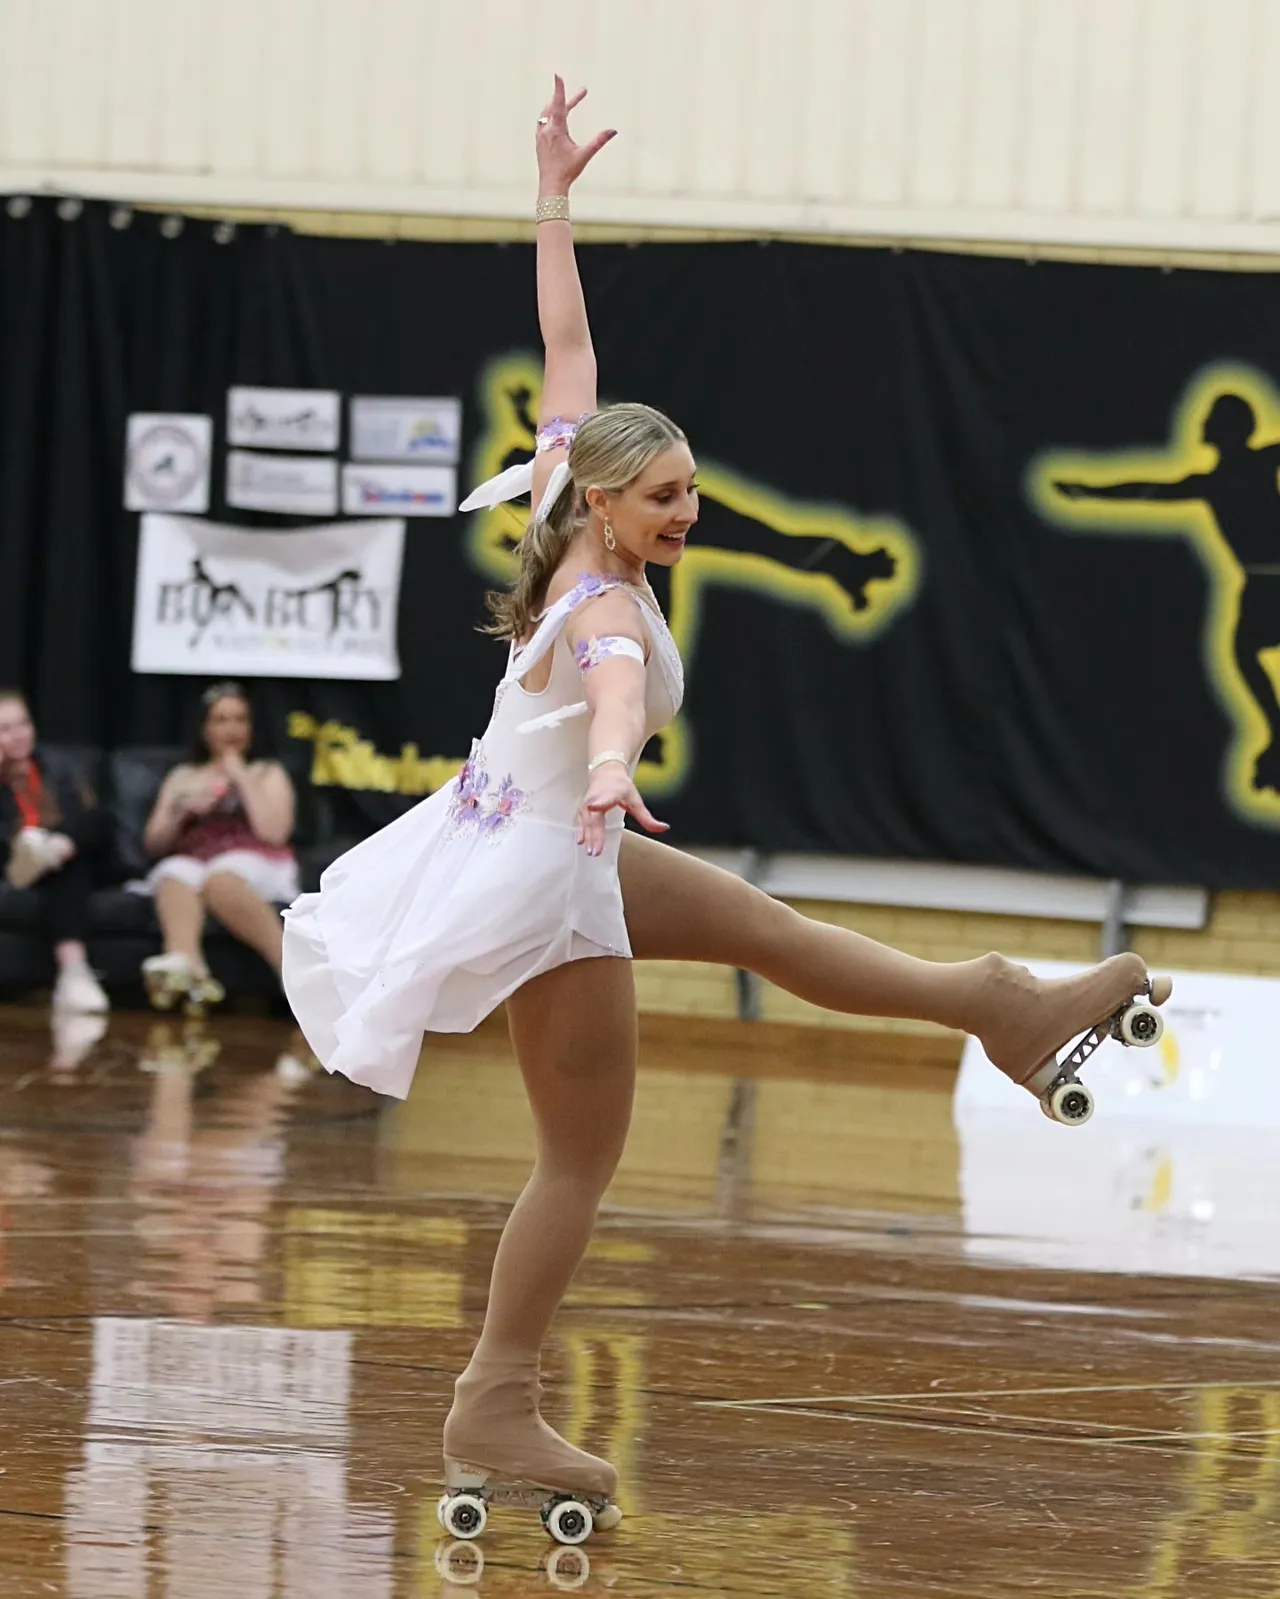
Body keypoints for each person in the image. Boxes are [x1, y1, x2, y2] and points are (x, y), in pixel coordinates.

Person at [282, 79, 1170, 1541]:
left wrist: (556, 199)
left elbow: (566, 340)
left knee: (772, 931)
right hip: (555, 871)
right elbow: (616, 688)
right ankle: (494, 1393)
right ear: (619, 504)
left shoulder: (564, 490)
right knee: (581, 1155)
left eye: (693, 490)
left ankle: (1000, 1002)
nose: (689, 514)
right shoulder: (607, 608)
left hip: (533, 837)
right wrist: (620, 769)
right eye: (675, 497)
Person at [137, 683, 298, 1011]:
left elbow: (275, 832)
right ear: (205, 729)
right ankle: (189, 970)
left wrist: (240, 777)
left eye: (240, 720)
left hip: (256, 858)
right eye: (221, 720)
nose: (232, 729)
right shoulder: (184, 775)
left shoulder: (267, 771)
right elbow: (153, 844)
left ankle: (291, 972)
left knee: (221, 876)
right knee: (172, 873)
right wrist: (182, 810)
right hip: (196, 858)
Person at [0, 690, 111, 1013]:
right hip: (12, 858)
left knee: (92, 829)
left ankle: (50, 850)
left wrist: (59, 841)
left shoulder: (56, 765)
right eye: (6, 729)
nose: (19, 735)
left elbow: (87, 816)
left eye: (24, 724)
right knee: (62, 864)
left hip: (66, 855)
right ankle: (74, 971)